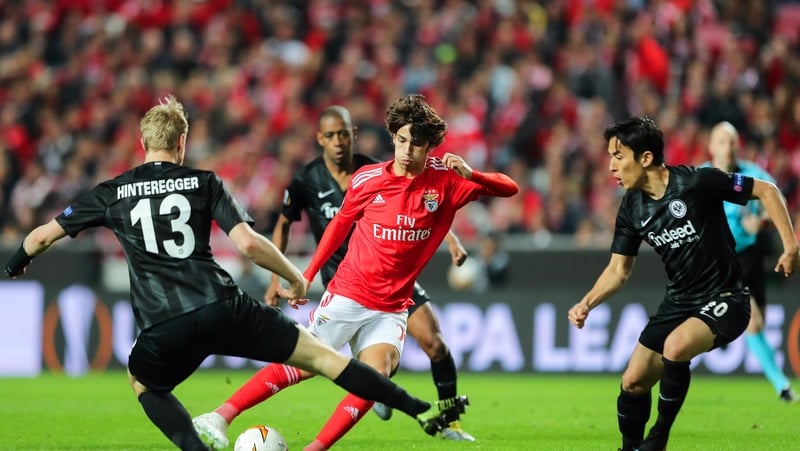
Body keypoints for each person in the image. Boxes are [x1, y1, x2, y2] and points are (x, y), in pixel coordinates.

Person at [3, 96, 453, 451]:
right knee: (324, 360)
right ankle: (416, 406)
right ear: (182, 142)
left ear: (143, 143)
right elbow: (249, 245)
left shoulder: (112, 192)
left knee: (143, 382)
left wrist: (15, 262)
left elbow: (41, 237)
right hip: (225, 307)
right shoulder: (205, 182)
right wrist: (295, 276)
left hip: (163, 324)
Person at [194, 94, 519, 450]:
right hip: (349, 293)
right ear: (393, 137)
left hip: (393, 306)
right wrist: (308, 274)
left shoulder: (447, 181)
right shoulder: (368, 179)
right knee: (303, 365)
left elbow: (509, 187)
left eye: (417, 144)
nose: (407, 150)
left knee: (376, 377)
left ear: (430, 147)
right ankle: (219, 416)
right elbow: (339, 226)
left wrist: (472, 174)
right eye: (402, 140)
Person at [567, 117, 799, 451]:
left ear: (645, 158)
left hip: (727, 297)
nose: (611, 166)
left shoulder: (697, 182)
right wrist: (586, 303)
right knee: (632, 381)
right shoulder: (632, 207)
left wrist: (791, 247)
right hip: (679, 301)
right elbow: (618, 270)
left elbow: (767, 191)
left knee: (675, 347)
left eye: (618, 156)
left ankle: (658, 438)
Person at [704, 121, 799, 402]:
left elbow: (776, 201)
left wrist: (762, 221)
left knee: (757, 322)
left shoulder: (753, 174)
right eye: (723, 142)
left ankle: (720, 333)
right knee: (754, 321)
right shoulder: (702, 177)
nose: (729, 147)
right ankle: (782, 386)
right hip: (720, 258)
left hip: (750, 256)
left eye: (733, 142)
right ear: (711, 147)